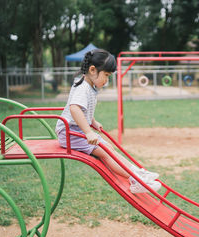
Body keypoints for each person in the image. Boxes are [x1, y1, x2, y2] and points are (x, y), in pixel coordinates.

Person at [55, 49, 161, 194]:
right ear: (92, 70)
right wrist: (88, 132)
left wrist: (93, 121)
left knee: (108, 148)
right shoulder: (83, 88)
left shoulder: (88, 86)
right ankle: (136, 178)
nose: (107, 80)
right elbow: (74, 109)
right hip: (70, 133)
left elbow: (83, 110)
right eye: (106, 75)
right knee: (106, 152)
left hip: (75, 130)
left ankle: (138, 173)